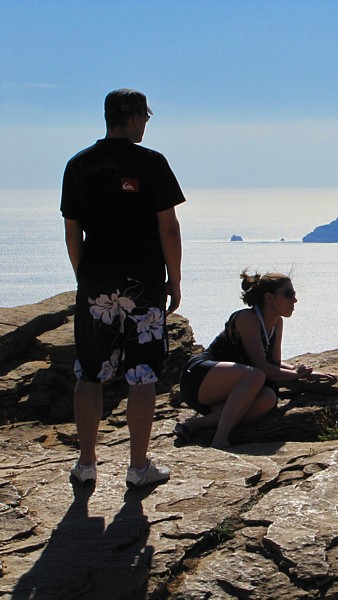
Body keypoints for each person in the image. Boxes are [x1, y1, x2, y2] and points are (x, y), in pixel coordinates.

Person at [61, 88, 185, 488]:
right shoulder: (151, 163)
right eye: (145, 118)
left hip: (96, 281)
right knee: (143, 373)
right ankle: (138, 466)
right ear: (133, 117)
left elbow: (72, 231)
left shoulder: (78, 165)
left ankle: (86, 464)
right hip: (144, 281)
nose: (146, 124)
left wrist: (85, 276)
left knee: (91, 372)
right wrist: (175, 278)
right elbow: (168, 226)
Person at [176, 270, 338, 449]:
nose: (294, 300)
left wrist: (306, 373)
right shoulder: (247, 318)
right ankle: (220, 439)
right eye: (288, 294)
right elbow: (262, 367)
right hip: (199, 379)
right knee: (256, 376)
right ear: (269, 298)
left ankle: (194, 425)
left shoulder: (276, 322)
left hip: (228, 389)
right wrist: (296, 375)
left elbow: (274, 364)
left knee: (269, 398)